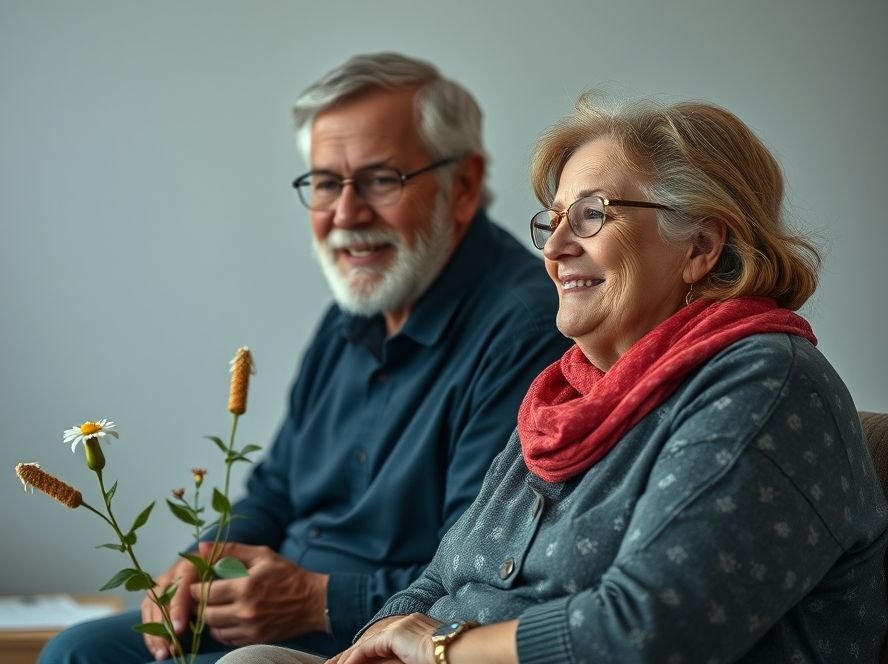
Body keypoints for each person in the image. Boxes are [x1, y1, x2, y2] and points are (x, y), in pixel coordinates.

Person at [219, 94, 888, 664]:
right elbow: (435, 581)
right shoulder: (566, 394)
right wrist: (371, 645)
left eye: (592, 214)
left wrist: (443, 646)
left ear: (701, 248)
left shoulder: (764, 382)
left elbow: (649, 628)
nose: (555, 245)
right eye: (554, 219)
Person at [39, 53, 569, 664]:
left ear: (464, 184)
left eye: (379, 179)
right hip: (271, 614)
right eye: (324, 183)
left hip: (380, 638)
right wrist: (203, 559)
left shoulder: (526, 329)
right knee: (76, 653)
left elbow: (485, 573)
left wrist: (316, 600)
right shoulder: (358, 309)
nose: (345, 214)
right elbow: (275, 490)